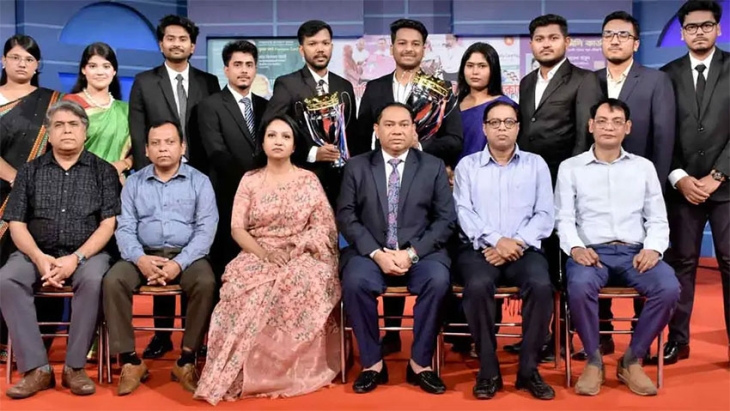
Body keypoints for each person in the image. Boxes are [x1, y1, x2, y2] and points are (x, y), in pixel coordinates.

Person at [194, 115, 340, 405]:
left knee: (299, 280)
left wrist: (297, 249)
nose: (278, 142)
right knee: (243, 291)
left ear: (295, 145)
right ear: (262, 142)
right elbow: (237, 228)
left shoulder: (308, 180)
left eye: (285, 136)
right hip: (258, 251)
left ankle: (283, 371)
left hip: (302, 253)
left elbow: (324, 226)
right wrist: (265, 254)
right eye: (272, 135)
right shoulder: (250, 180)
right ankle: (240, 371)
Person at [555, 98, 680, 396]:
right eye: (601, 121)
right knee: (579, 286)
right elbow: (563, 218)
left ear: (628, 127)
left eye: (616, 122)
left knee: (669, 288)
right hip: (591, 253)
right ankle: (594, 360)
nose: (608, 127)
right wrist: (575, 248)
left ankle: (632, 358)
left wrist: (653, 249)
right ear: (591, 126)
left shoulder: (644, 167)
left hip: (635, 253)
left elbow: (657, 218)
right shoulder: (571, 168)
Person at [356, 19, 464, 355]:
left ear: (424, 48)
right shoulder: (374, 88)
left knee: (420, 249)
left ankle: (425, 346)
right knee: (384, 240)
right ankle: (388, 335)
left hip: (422, 182)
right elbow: (360, 136)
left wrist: (418, 149)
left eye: (415, 44)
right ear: (392, 48)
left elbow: (455, 139)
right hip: (380, 181)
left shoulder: (441, 89)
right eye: (402, 43)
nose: (408, 49)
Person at [0, 100, 121, 399]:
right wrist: (39, 257)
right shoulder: (29, 171)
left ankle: (74, 367)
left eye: (73, 125)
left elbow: (108, 224)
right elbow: (16, 223)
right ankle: (37, 368)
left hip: (88, 255)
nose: (67, 131)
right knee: (6, 279)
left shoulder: (103, 171)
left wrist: (76, 258)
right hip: (35, 252)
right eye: (59, 125)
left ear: (85, 131)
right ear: (49, 133)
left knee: (95, 280)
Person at [578, 10, 677, 362]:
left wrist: (655, 191)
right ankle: (601, 338)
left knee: (645, 266)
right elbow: (581, 136)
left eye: (623, 34)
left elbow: (663, 138)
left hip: (640, 190)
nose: (615, 40)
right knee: (593, 261)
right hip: (593, 187)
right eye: (609, 34)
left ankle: (640, 342)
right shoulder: (589, 81)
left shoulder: (655, 80)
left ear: (635, 43)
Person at [337, 102, 455, 395]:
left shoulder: (432, 166)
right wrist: (376, 253)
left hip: (420, 253)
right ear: (376, 130)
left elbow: (445, 220)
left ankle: (420, 363)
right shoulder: (357, 166)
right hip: (371, 253)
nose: (397, 131)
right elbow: (346, 216)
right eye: (389, 124)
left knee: (438, 279)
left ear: (414, 130)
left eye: (404, 124)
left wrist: (411, 253)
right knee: (355, 281)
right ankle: (372, 363)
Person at [128, 14, 220, 359]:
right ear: (161, 43)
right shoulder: (144, 82)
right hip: (157, 175)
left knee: (196, 253)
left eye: (183, 39)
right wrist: (148, 176)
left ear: (193, 46)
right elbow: (138, 132)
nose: (177, 44)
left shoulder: (209, 82)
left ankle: (197, 337)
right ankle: (162, 335)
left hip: (200, 177)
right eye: (170, 38)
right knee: (159, 244)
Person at [104, 121, 218, 396]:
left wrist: (179, 263)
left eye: (169, 142)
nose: (163, 148)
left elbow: (206, 230)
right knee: (113, 280)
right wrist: (140, 259)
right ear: (146, 150)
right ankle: (131, 361)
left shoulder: (200, 181)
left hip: (186, 255)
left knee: (206, 282)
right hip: (143, 254)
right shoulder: (134, 183)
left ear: (182, 147)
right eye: (155, 143)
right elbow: (125, 228)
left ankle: (186, 360)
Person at [514, 13, 604, 359]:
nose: (546, 44)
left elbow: (584, 136)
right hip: (528, 185)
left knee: (560, 264)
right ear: (532, 44)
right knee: (536, 261)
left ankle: (561, 338)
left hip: (564, 184)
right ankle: (536, 333)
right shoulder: (526, 82)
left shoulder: (584, 80)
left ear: (566, 42)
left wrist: (574, 183)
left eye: (553, 38)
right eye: (539, 39)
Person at [452, 100, 555, 400]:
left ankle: (528, 370)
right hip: (479, 249)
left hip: (525, 248)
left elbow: (545, 214)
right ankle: (488, 369)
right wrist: (497, 240)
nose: (502, 128)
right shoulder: (467, 166)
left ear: (518, 128)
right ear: (484, 128)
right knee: (477, 285)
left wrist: (516, 242)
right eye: (494, 122)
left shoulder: (536, 164)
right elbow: (463, 212)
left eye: (509, 122)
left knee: (541, 285)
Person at [654, 0, 730, 365]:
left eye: (706, 25)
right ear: (682, 33)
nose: (699, 32)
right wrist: (679, 176)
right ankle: (678, 341)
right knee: (681, 262)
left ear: (718, 29)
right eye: (691, 27)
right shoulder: (666, 75)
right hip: (682, 189)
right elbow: (660, 133)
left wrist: (717, 176)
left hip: (726, 187)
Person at [0, 34, 63, 364]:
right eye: (15, 57)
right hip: (5, 192)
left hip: (40, 198)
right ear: (3, 61)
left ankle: (31, 344)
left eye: (29, 59)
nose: (22, 64)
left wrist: (29, 184)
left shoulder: (52, 101)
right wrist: (15, 178)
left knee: (32, 264)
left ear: (38, 65)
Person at [262, 20, 357, 207]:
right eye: (312, 44)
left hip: (342, 183)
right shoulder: (288, 84)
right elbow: (269, 128)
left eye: (325, 43)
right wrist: (312, 153)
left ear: (331, 46)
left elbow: (352, 132)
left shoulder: (344, 86)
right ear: (301, 49)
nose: (320, 49)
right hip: (302, 180)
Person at [198, 40, 268, 277]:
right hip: (228, 195)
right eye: (237, 65)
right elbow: (216, 152)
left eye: (249, 64)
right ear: (226, 70)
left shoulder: (267, 106)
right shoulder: (210, 106)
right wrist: (252, 182)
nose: (244, 70)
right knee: (227, 262)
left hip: (265, 198)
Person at [64, 42, 132, 183]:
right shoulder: (70, 104)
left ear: (114, 71)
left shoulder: (125, 110)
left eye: (106, 66)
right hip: (76, 183)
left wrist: (123, 164)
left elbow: (142, 149)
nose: (100, 72)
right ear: (83, 70)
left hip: (116, 185)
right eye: (93, 66)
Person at [457, 42, 515, 161]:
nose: (475, 72)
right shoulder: (452, 105)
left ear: (493, 70)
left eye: (482, 66)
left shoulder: (506, 106)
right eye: (470, 66)